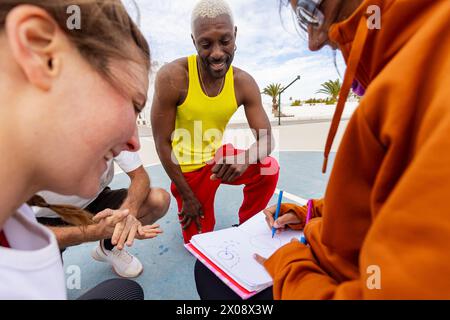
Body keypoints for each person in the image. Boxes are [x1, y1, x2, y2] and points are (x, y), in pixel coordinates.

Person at [197, 0, 450, 300]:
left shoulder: (421, 93)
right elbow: (376, 203)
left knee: (212, 278)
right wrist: (310, 212)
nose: (314, 41)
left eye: (310, 10)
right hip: (328, 257)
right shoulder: (414, 68)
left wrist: (288, 265)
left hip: (322, 276)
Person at [0, 0, 152, 299]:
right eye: (134, 105)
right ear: (41, 51)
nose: (134, 141)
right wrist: (95, 232)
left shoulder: (17, 217)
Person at [151, 0, 280, 244]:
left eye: (225, 41)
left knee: (268, 168)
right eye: (206, 44)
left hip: (217, 160)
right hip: (187, 171)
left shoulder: (244, 82)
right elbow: (162, 142)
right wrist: (188, 196)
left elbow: (267, 138)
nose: (218, 53)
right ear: (193, 41)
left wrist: (244, 158)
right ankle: (193, 207)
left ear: (235, 35)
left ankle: (248, 224)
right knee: (200, 244)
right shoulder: (173, 77)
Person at [34, 150, 170, 278]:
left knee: (158, 200)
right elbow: (15, 229)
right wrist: (98, 231)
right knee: (44, 289)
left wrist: (127, 213)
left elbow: (140, 176)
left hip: (96, 200)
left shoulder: (112, 129)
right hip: (44, 220)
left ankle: (108, 247)